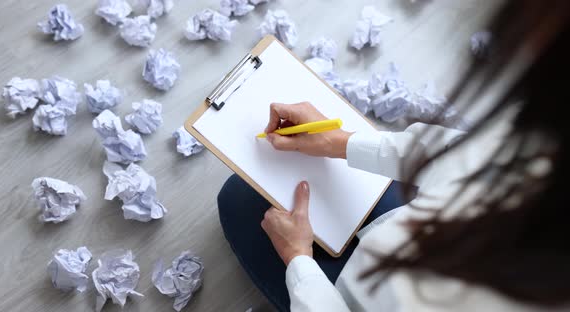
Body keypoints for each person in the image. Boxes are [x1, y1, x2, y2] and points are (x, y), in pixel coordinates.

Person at [218, 0, 570, 311]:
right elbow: (461, 157)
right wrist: (340, 142)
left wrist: (298, 261)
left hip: (354, 299)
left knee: (238, 199)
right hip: (408, 235)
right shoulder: (544, 135)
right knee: (278, 183)